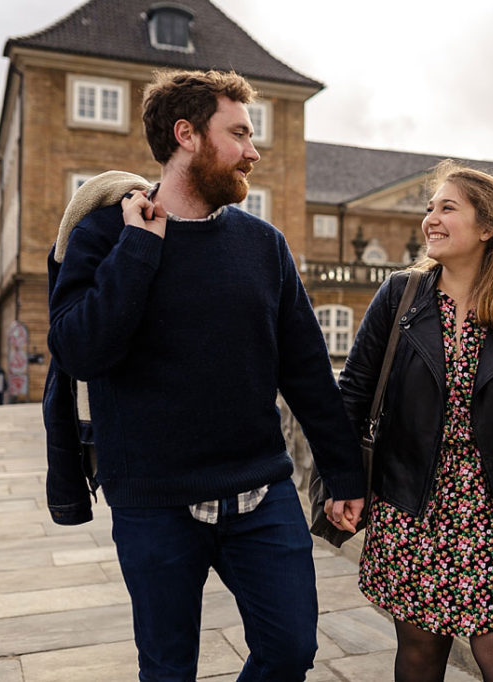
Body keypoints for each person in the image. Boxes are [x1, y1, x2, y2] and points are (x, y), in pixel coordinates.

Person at [45, 69, 365, 681]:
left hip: (260, 490)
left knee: (292, 649)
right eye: (240, 133)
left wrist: (343, 471)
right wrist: (137, 250)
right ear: (186, 134)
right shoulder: (103, 235)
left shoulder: (263, 244)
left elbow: (305, 370)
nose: (254, 151)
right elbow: (80, 350)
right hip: (154, 501)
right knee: (168, 670)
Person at [335, 160, 493, 682]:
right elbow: (351, 397)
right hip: (412, 507)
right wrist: (341, 481)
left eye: (447, 208)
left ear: (487, 229)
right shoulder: (400, 297)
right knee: (420, 658)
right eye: (429, 208)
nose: (431, 219)